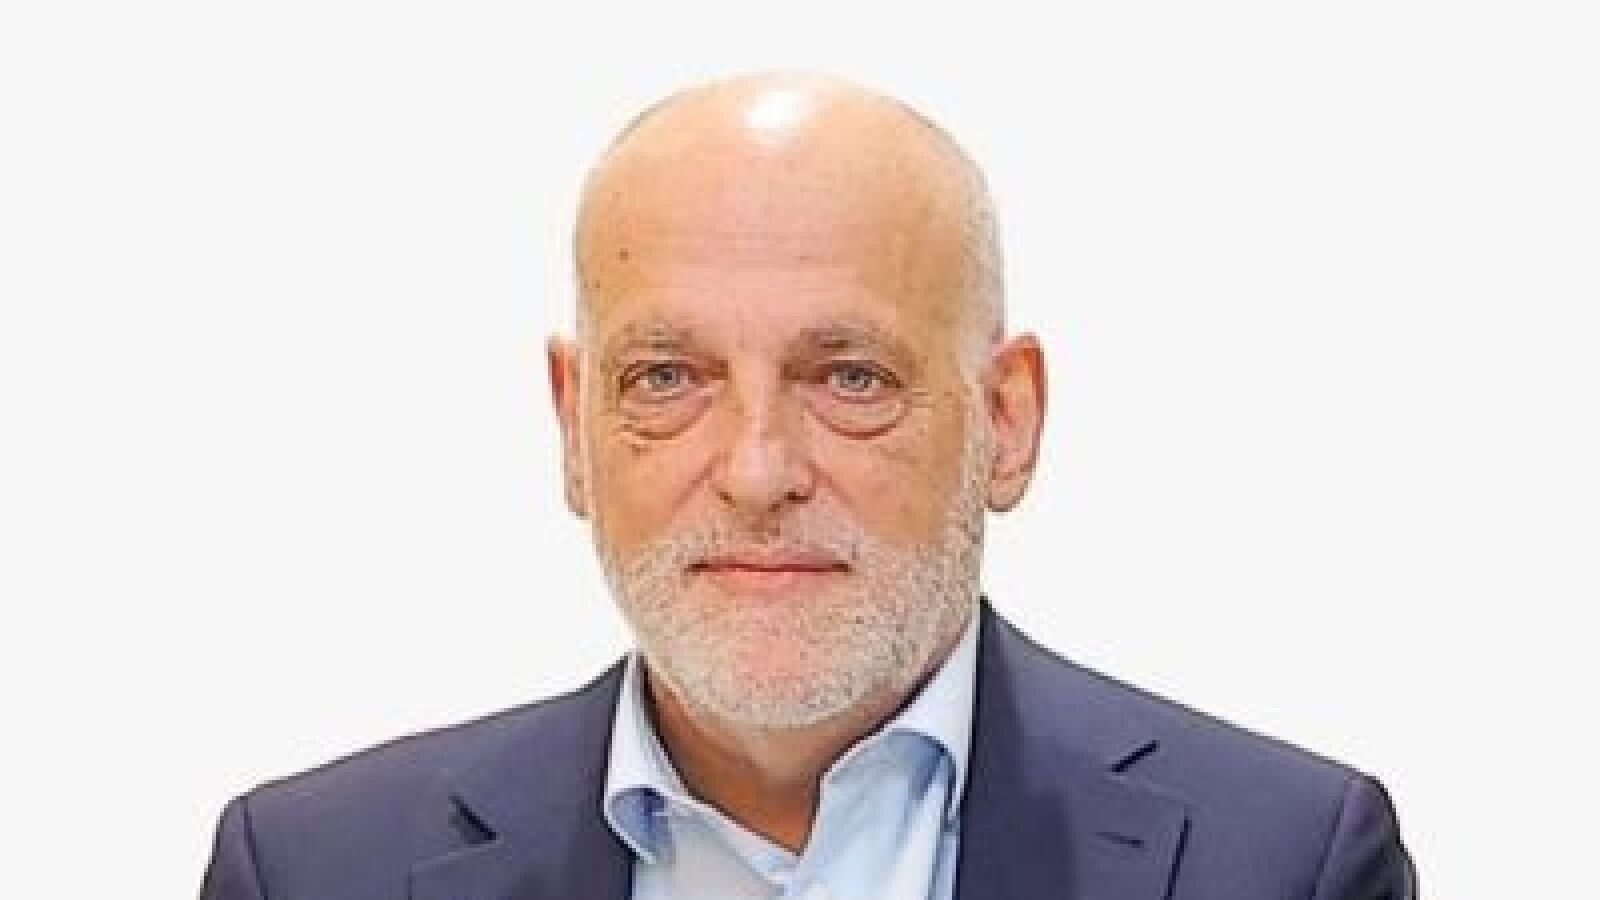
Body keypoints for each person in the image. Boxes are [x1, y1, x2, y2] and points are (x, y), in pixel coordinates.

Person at [200, 71, 1415, 899]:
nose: (756, 471)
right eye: (668, 377)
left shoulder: (1281, 866)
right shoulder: (315, 872)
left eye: (849, 377)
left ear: (1006, 420)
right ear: (574, 425)